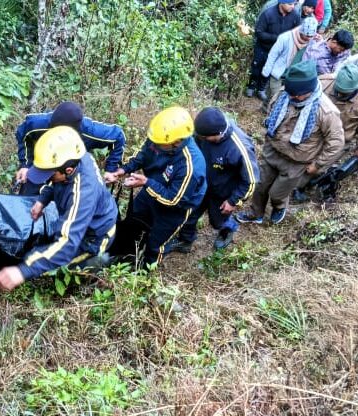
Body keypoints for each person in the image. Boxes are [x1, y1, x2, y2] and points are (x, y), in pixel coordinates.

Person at [0, 126, 118, 291]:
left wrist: (22, 271)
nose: (46, 178)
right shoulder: (76, 158)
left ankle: (98, 265)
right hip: (87, 217)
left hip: (94, 236)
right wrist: (42, 200)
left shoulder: (83, 194)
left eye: (49, 174)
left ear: (68, 170)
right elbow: (56, 182)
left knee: (58, 268)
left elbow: (67, 243)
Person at [237, 60, 345, 225]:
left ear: (308, 90)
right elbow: (271, 112)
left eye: (297, 95)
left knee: (277, 193)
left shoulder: (326, 112)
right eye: (290, 93)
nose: (292, 97)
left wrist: (317, 165)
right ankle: (255, 213)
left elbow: (336, 143)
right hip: (273, 150)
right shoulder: (285, 93)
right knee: (260, 185)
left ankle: (279, 206)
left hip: (296, 162)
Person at [110, 107, 207, 265]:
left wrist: (146, 182)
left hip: (176, 207)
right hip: (153, 187)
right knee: (134, 220)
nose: (154, 144)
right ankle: (126, 253)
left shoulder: (191, 167)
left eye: (159, 143)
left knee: (156, 243)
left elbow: (174, 200)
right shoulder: (159, 139)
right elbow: (143, 155)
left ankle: (145, 272)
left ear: (176, 142)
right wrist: (123, 170)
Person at [172, 108, 259, 252]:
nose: (200, 139)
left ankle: (226, 232)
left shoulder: (240, 147)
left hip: (223, 192)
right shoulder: (203, 132)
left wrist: (233, 201)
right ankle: (185, 241)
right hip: (201, 185)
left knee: (218, 221)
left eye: (205, 138)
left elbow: (251, 181)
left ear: (218, 134)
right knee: (189, 213)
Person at [293, 63, 358, 200]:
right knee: (301, 159)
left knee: (319, 166)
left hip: (341, 139)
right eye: (338, 91)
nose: (339, 95)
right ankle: (292, 184)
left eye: (344, 93)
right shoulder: (322, 83)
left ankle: (303, 186)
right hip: (314, 132)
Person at [14, 101, 126, 195]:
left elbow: (118, 136)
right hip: (43, 165)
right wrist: (25, 165)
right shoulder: (37, 124)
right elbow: (23, 134)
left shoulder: (90, 131)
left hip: (70, 172)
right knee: (28, 202)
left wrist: (111, 169)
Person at [247, 0, 301, 101]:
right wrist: (278, 38)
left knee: (270, 69)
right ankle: (251, 86)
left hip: (280, 51)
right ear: (281, 3)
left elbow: (297, 32)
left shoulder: (295, 16)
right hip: (263, 47)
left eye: (294, 4)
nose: (293, 7)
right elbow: (259, 32)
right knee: (257, 67)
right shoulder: (268, 13)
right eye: (290, 4)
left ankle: (261, 89)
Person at [262, 16, 319, 102]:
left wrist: (319, 42)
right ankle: (266, 108)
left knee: (284, 100)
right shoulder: (286, 38)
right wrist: (266, 71)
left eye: (311, 36)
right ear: (301, 31)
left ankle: (270, 109)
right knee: (275, 96)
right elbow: (273, 54)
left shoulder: (313, 42)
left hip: (294, 76)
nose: (308, 38)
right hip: (279, 73)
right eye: (306, 35)